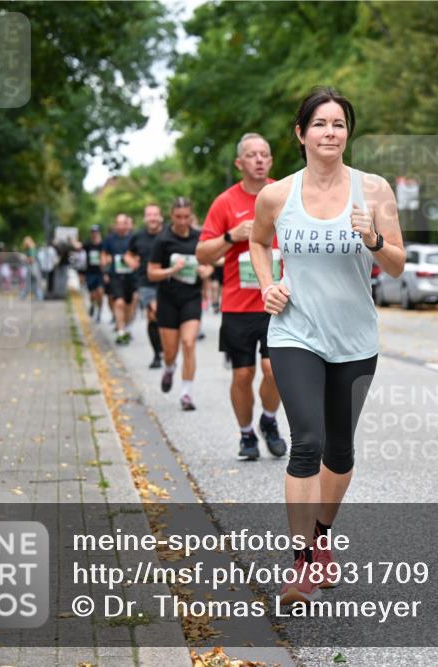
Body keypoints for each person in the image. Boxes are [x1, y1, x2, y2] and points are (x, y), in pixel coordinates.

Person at [249, 88, 405, 604]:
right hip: (295, 332)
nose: (330, 133)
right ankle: (299, 564)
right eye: (320, 124)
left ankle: (320, 539)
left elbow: (398, 264)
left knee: (339, 450)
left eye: (339, 124)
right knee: (307, 442)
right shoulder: (276, 195)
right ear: (301, 133)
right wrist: (267, 282)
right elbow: (257, 239)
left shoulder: (375, 189)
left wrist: (374, 241)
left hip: (355, 338)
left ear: (348, 133)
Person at [198, 133, 288, 460]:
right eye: (252, 155)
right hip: (238, 305)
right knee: (242, 374)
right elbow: (203, 254)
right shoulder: (225, 203)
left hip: (277, 302)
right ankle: (247, 434)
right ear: (240, 163)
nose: (260, 160)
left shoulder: (285, 194)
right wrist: (230, 236)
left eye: (265, 154)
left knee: (275, 370)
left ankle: (268, 420)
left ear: (271, 160)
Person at [148, 198, 211, 411]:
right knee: (170, 351)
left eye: (186, 217)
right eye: (178, 217)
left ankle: (186, 394)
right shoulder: (162, 240)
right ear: (171, 216)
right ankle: (169, 367)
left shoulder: (199, 238)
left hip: (191, 298)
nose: (183, 221)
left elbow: (209, 264)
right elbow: (152, 272)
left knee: (189, 343)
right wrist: (171, 271)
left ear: (191, 216)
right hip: (168, 299)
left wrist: (206, 271)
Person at [127, 204, 167, 368]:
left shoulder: (168, 234)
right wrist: (132, 263)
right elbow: (128, 254)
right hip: (145, 282)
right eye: (149, 215)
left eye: (155, 214)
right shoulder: (138, 236)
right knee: (153, 313)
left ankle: (165, 348)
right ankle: (157, 354)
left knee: (163, 318)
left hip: (167, 281)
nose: (152, 218)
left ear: (161, 217)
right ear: (145, 218)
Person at [102, 214, 137, 344]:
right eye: (119, 223)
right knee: (119, 303)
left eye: (124, 223)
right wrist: (105, 263)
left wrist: (134, 261)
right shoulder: (109, 239)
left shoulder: (134, 238)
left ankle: (126, 326)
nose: (121, 226)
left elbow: (140, 255)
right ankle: (121, 331)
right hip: (115, 276)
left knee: (129, 304)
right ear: (115, 225)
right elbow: (104, 255)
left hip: (131, 276)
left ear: (127, 224)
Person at [83, 225, 106, 321]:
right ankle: (92, 304)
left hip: (100, 273)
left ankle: (99, 311)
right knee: (92, 294)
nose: (94, 234)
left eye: (96, 232)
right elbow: (78, 247)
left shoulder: (104, 244)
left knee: (100, 292)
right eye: (93, 232)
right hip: (90, 272)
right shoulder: (88, 244)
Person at [21, 236, 44, 301]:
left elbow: (32, 259)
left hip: (33, 266)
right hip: (34, 267)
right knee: (34, 282)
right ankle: (38, 296)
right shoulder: (32, 247)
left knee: (32, 282)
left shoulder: (31, 247)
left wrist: (24, 259)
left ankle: (38, 296)